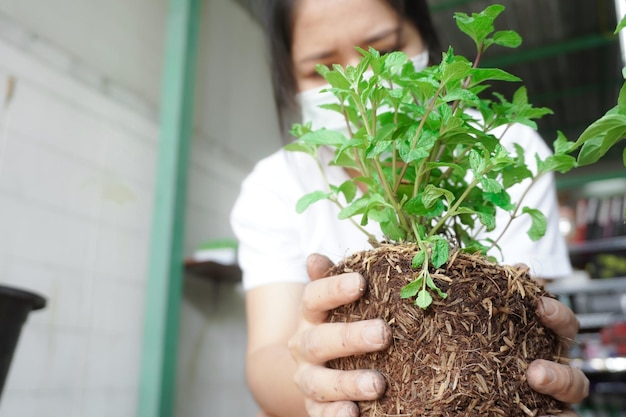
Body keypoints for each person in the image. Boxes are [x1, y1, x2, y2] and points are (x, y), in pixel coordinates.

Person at [230, 1, 590, 416]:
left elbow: (515, 321)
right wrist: (311, 384)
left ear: (426, 40)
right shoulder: (276, 183)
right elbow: (266, 357)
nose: (358, 76)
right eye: (320, 69)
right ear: (288, 76)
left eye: (383, 50)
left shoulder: (510, 149)